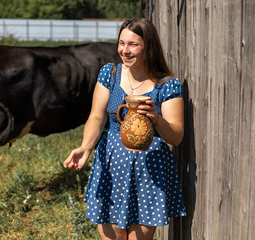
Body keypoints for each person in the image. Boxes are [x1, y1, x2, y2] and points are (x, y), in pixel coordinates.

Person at [64, 18, 186, 240]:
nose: (125, 50)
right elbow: (97, 117)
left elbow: (176, 136)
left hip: (149, 171)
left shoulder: (167, 84)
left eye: (133, 44)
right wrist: (85, 147)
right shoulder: (109, 74)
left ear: (149, 47)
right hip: (110, 165)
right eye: (121, 43)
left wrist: (156, 119)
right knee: (114, 235)